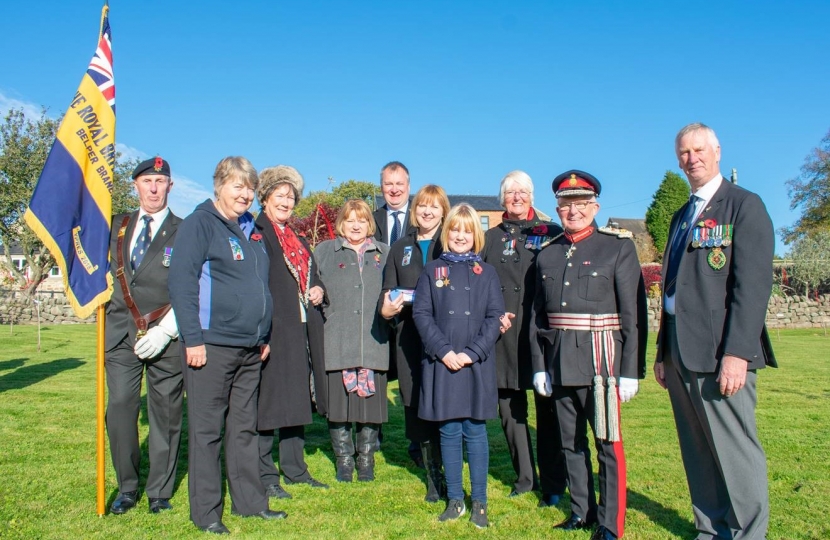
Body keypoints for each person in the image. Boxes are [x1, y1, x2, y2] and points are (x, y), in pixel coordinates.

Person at [654, 123, 776, 540]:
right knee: (699, 452)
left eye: (700, 149)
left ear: (718, 151)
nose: (693, 158)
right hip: (679, 351)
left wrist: (738, 353)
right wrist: (660, 354)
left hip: (721, 352)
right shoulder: (681, 216)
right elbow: (673, 288)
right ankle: (711, 529)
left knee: (735, 451)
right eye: (684, 153)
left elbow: (753, 287)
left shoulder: (743, 205)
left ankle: (747, 534)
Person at [168, 156, 286, 534]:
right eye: (238, 186)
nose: (245, 194)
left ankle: (250, 503)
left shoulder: (250, 229)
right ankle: (206, 514)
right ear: (219, 186)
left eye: (250, 188)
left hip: (251, 347)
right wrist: (193, 338)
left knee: (244, 429)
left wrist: (263, 336)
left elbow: (260, 287)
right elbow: (182, 284)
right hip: (211, 346)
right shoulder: (199, 224)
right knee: (207, 433)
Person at [531, 170, 647, 540]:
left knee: (607, 445)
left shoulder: (617, 247)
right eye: (566, 205)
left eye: (581, 204)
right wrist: (539, 367)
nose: (574, 211)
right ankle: (581, 512)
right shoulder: (546, 254)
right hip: (560, 362)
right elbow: (538, 317)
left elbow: (633, 314)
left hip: (603, 365)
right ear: (557, 209)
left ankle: (610, 524)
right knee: (570, 443)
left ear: (595, 206)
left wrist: (631, 370)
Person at [413, 203, 505, 528]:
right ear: (446, 232)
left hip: (475, 365)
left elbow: (495, 317)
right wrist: (443, 351)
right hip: (442, 364)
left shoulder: (488, 273)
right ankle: (455, 499)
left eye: (467, 230)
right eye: (455, 229)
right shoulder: (431, 270)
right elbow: (421, 315)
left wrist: (472, 352)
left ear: (476, 235)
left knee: (475, 432)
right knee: (449, 431)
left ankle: (479, 501)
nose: (460, 236)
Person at [480, 170, 568, 504]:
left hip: (542, 336)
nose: (516, 197)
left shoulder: (552, 233)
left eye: (523, 192)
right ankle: (525, 478)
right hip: (503, 339)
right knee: (511, 414)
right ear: (502, 198)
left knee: (549, 413)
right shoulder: (488, 239)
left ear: (532, 196)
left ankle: (554, 482)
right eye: (510, 192)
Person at [105, 157, 183, 515]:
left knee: (165, 413)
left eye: (160, 181)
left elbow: (193, 288)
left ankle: (159, 491)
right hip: (120, 330)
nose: (154, 187)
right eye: (147, 180)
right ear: (135, 184)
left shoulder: (185, 230)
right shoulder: (112, 225)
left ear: (170, 186)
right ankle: (127, 486)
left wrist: (167, 331)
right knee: (120, 408)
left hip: (166, 333)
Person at [253, 165, 329, 500]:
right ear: (265, 198)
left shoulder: (297, 239)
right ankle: (265, 473)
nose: (285, 201)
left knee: (296, 399)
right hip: (272, 327)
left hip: (299, 328)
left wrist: (319, 290)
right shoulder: (255, 232)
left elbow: (314, 277)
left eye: (290, 197)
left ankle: (295, 468)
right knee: (268, 403)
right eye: (279, 195)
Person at [380, 184, 449, 502]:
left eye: (434, 206)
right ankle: (432, 478)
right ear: (414, 209)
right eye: (422, 205)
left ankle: (448, 471)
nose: (427, 211)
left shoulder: (451, 244)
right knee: (414, 403)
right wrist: (387, 307)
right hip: (408, 337)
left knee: (442, 403)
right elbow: (388, 292)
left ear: (443, 211)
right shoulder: (399, 248)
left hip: (444, 336)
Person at [315, 199, 390, 483]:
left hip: (373, 339)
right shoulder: (324, 251)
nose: (355, 225)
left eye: (361, 219)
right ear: (341, 224)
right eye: (349, 220)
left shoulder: (384, 252)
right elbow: (313, 284)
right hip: (338, 338)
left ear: (369, 223)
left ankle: (366, 460)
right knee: (339, 407)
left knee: (369, 408)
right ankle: (344, 461)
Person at [373, 160, 415, 245]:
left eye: (399, 184)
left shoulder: (421, 217)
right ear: (381, 188)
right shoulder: (371, 220)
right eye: (389, 184)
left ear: (408, 186)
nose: (394, 190)